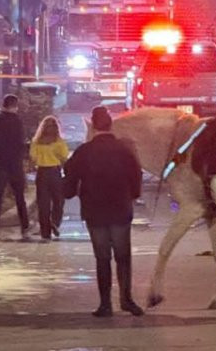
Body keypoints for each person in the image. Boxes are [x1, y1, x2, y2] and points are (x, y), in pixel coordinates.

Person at [64, 106, 145, 317]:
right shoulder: (124, 149)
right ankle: (126, 300)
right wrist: (133, 195)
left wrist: (69, 191)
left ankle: (105, 304)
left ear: (93, 127)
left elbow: (70, 178)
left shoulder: (84, 151)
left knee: (102, 258)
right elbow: (136, 176)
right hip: (120, 208)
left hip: (95, 211)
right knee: (123, 256)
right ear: (110, 125)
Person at [0, 94, 31, 240]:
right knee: (19, 196)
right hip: (15, 164)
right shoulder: (17, 122)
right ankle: (25, 226)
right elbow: (21, 143)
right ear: (15, 106)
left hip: (0, 163)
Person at [31, 115, 69, 242]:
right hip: (55, 173)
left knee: (43, 204)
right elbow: (64, 157)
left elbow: (33, 157)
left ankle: (45, 232)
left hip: (42, 173)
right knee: (59, 201)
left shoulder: (36, 142)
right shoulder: (59, 142)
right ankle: (55, 221)